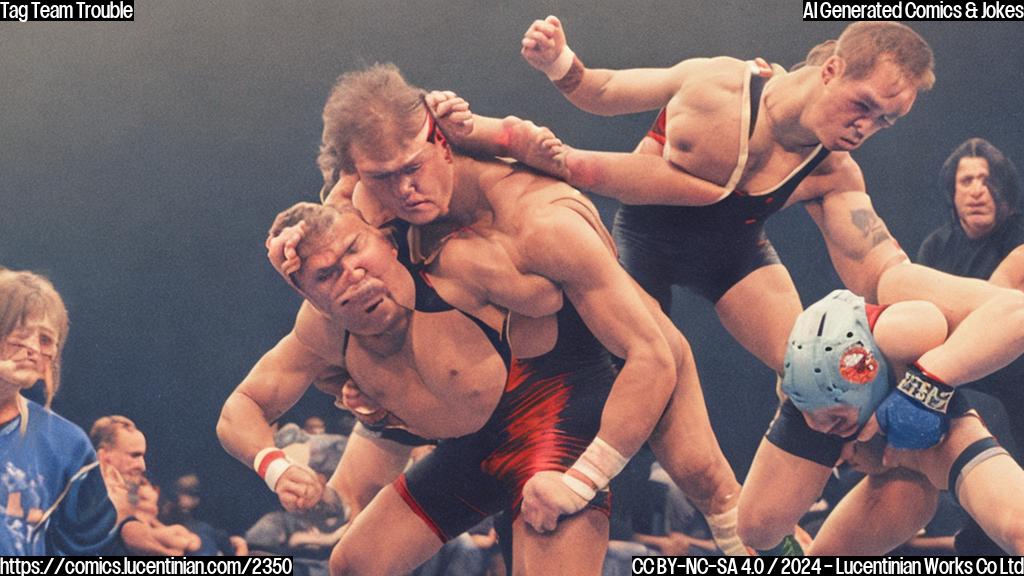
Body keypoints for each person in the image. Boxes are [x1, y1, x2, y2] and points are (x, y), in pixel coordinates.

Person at [313, 63, 759, 555]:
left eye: (410, 169)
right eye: (382, 178)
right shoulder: (365, 207)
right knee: (353, 563)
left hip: (601, 376)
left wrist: (582, 482)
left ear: (441, 144)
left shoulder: (538, 220)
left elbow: (650, 357)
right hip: (501, 409)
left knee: (711, 485)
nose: (402, 191)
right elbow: (331, 241)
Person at [224, 202, 621, 573]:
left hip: (553, 416)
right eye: (326, 275)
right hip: (473, 448)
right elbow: (240, 407)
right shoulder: (322, 332)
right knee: (353, 565)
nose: (352, 274)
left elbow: (409, 160)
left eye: (353, 250)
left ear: (386, 240)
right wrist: (276, 469)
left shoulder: (453, 262)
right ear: (307, 295)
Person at [744, 287, 1024, 554]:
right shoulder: (801, 388)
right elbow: (758, 525)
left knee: (1018, 528)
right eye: (816, 420)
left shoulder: (906, 329)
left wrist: (921, 388)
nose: (828, 428)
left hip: (934, 436)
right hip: (893, 458)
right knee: (756, 528)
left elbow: (1015, 311)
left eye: (836, 419)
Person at [0, 267, 187, 555]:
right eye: (21, 332)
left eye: (46, 340)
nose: (33, 348)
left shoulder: (66, 445)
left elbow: (89, 545)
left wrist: (121, 515)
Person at [914, 137, 1024, 554]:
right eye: (966, 181)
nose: (977, 189)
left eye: (986, 180)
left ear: (1004, 191)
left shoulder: (1019, 236)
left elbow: (997, 315)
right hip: (960, 386)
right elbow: (920, 322)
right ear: (953, 192)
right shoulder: (936, 248)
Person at [90, 415, 204, 555]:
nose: (142, 466)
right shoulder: (87, 495)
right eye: (134, 455)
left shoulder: (130, 492)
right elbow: (128, 530)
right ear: (104, 456)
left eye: (142, 456)